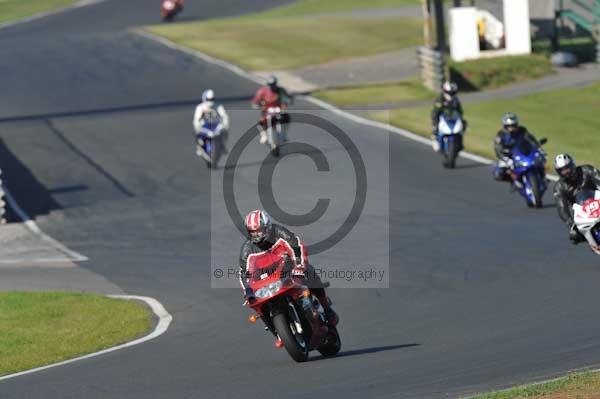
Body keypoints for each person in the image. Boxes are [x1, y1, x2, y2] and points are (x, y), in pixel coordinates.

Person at [239, 210, 338, 332]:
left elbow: (296, 246)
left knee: (309, 271)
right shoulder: (247, 249)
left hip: (288, 268)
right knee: (255, 301)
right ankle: (275, 330)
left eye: (259, 230)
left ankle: (327, 308)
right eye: (252, 232)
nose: (257, 235)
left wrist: (299, 266)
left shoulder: (279, 233)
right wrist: (247, 291)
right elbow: (244, 273)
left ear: (267, 226)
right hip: (267, 279)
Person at [553, 153, 600, 244]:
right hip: (581, 210)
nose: (566, 172)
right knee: (575, 235)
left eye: (567, 168)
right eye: (562, 170)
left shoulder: (587, 170)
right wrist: (570, 224)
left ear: (572, 165)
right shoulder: (559, 187)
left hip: (597, 200)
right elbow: (562, 208)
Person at [493, 112, 541, 183]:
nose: (511, 128)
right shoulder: (501, 134)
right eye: (509, 126)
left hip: (522, 153)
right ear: (505, 126)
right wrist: (504, 157)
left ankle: (541, 176)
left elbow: (530, 138)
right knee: (498, 174)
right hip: (508, 156)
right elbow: (497, 148)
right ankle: (513, 179)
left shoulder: (522, 130)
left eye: (513, 125)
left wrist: (536, 145)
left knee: (539, 161)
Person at [251, 75, 291, 144]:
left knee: (287, 117)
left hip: (278, 110)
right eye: (270, 85)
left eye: (273, 84)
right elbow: (255, 101)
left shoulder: (281, 91)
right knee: (260, 122)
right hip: (266, 111)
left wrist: (285, 104)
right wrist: (258, 105)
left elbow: (287, 99)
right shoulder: (262, 91)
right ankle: (263, 135)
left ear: (276, 84)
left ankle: (284, 134)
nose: (272, 86)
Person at [431, 81, 465, 152]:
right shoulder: (440, 98)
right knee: (435, 118)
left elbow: (460, 110)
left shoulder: (456, 100)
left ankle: (460, 142)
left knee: (464, 123)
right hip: (441, 116)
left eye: (452, 93)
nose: (451, 94)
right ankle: (435, 135)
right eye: (449, 93)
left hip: (452, 117)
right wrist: (442, 105)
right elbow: (436, 109)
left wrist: (460, 117)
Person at [193, 89, 229, 155]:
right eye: (208, 99)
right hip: (204, 126)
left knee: (225, 133)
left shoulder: (218, 106)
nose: (210, 101)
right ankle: (200, 146)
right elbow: (196, 120)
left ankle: (222, 145)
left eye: (211, 99)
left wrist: (225, 126)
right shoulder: (200, 107)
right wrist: (198, 127)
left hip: (215, 125)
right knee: (198, 135)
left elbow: (224, 116)